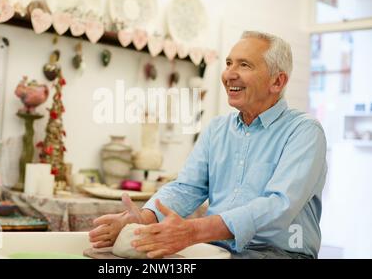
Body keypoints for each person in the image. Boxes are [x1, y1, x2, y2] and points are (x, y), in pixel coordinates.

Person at [89, 31, 327, 259]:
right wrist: (144, 218)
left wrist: (194, 231)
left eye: (244, 65)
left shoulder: (304, 131)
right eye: (229, 63)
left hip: (280, 254)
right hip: (217, 250)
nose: (228, 75)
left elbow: (279, 206)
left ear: (277, 81)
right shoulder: (217, 129)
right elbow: (186, 188)